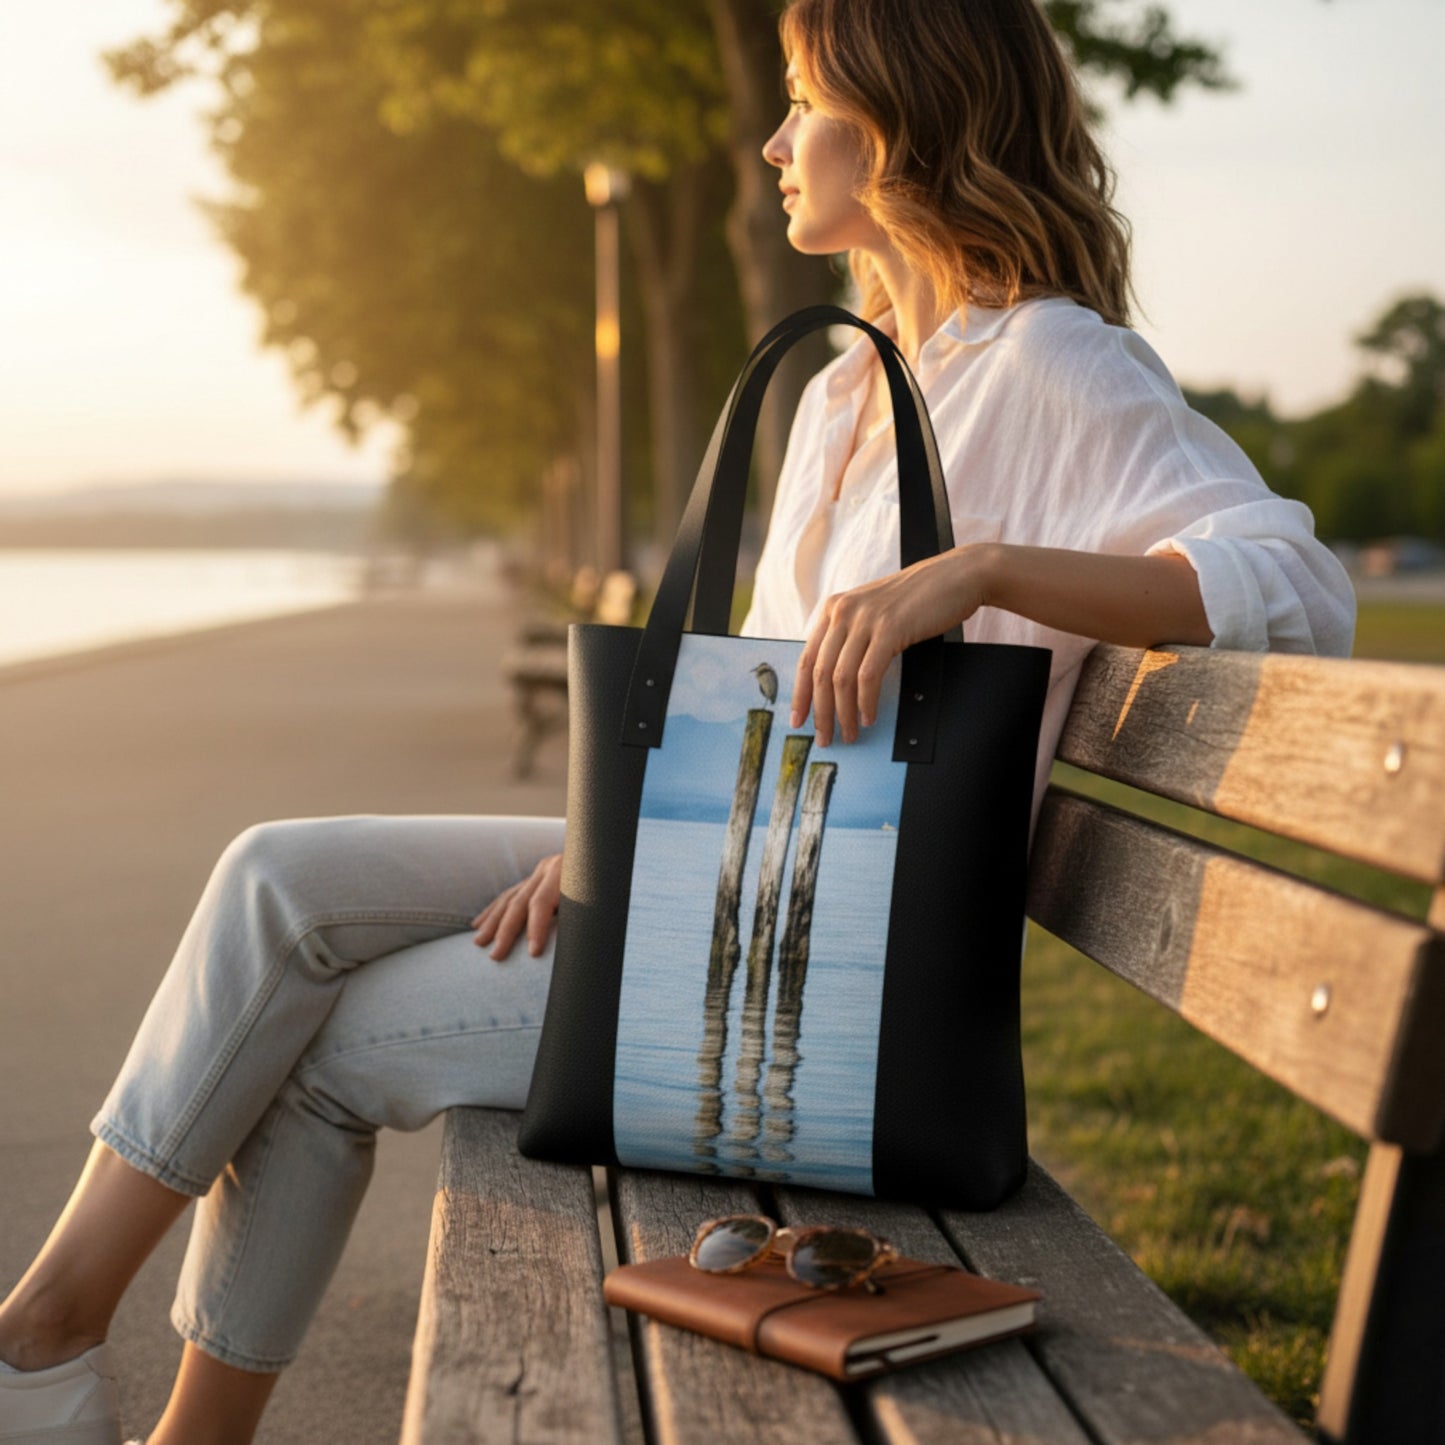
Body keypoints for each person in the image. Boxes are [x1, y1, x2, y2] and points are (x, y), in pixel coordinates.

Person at [0, 0, 1355, 1440]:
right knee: (277, 876)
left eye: (802, 101)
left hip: (825, 977)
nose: (770, 142)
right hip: (726, 879)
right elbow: (750, 703)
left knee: (320, 1048)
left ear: (898, 121)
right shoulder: (844, 388)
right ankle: (44, 1337)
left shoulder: (1054, 367)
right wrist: (613, 848)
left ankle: (104, 1390)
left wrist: (982, 570)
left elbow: (1296, 588)